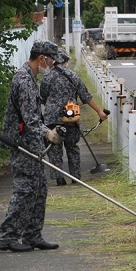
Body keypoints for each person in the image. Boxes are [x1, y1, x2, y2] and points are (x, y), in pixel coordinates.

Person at [0, 40, 64, 252]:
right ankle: (7, 237)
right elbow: (30, 118)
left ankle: (32, 235)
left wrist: (45, 134)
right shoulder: (24, 80)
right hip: (22, 143)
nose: (52, 65)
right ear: (42, 58)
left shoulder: (30, 78)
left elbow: (34, 117)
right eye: (51, 60)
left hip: (32, 143)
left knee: (39, 189)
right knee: (25, 190)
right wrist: (47, 133)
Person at [40, 49, 109, 185]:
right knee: (72, 147)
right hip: (70, 117)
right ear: (65, 62)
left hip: (52, 119)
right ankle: (76, 177)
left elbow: (42, 97)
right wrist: (100, 112)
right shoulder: (73, 76)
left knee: (54, 148)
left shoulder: (47, 78)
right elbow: (86, 97)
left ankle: (59, 178)